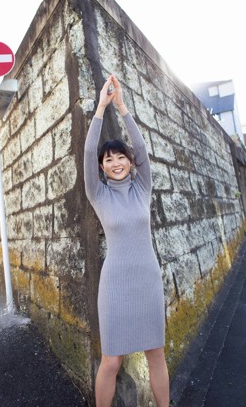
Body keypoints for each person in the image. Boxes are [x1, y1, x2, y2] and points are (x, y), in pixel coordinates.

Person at [84, 74, 170, 407]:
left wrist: (122, 107)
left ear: (129, 161)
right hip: (115, 284)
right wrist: (101, 108)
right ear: (102, 168)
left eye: (121, 156)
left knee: (156, 353)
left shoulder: (142, 188)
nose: (116, 162)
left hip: (147, 279)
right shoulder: (98, 194)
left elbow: (143, 149)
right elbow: (90, 149)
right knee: (111, 360)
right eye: (109, 159)